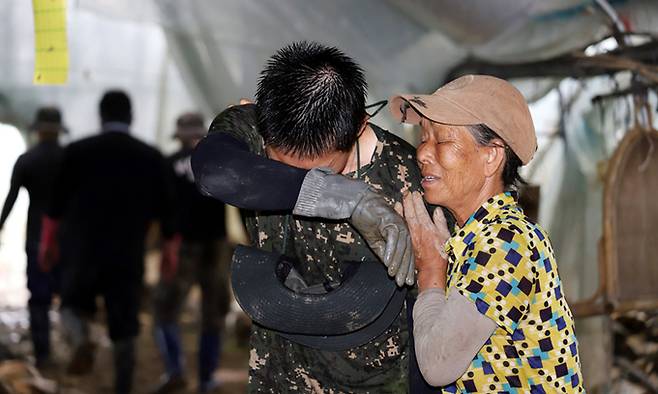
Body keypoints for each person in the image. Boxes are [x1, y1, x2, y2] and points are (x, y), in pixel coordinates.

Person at [191, 42, 424, 392]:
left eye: (321, 171)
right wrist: (347, 198)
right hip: (276, 372)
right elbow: (215, 172)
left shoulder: (408, 183)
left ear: (360, 126)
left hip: (369, 380)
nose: (295, 177)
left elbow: (428, 314)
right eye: (282, 168)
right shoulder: (254, 130)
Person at [390, 74, 584, 392]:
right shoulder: (476, 237)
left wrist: (431, 273)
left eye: (442, 141)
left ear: (491, 156)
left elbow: (438, 365)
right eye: (423, 138)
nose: (423, 153)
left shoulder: (506, 242)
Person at [39, 90, 178, 394]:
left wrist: (47, 244)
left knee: (72, 306)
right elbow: (169, 214)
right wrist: (170, 253)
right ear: (131, 117)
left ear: (100, 116)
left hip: (82, 251)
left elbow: (54, 208)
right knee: (125, 327)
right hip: (127, 253)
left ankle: (81, 338)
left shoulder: (76, 151)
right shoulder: (150, 156)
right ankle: (123, 387)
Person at [152, 112, 230, 393]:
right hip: (215, 245)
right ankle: (207, 379)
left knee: (165, 310)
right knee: (213, 314)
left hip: (180, 245)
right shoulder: (219, 163)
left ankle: (175, 371)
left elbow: (160, 206)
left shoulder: (169, 164)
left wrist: (163, 243)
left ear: (179, 135)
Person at [0, 106, 65, 368]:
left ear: (37, 130)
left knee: (38, 297)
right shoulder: (69, 159)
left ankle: (43, 353)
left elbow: (12, 197)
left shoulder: (27, 160)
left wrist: (0, 225)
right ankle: (74, 346)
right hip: (66, 238)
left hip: (37, 236)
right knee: (68, 294)